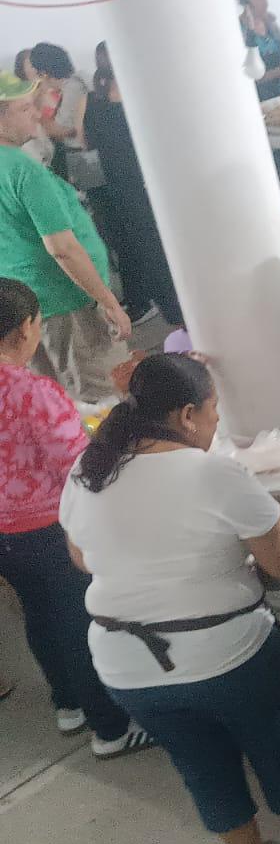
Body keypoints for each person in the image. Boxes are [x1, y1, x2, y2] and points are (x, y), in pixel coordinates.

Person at [58, 353, 280, 844]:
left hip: (126, 666)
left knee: (200, 769)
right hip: (227, 654)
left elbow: (84, 558)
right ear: (187, 414)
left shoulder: (88, 469)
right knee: (274, 746)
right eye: (212, 412)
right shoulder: (211, 472)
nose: (214, 424)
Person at [0, 280, 149, 758]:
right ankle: (111, 728)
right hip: (48, 528)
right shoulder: (31, 391)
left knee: (39, 616)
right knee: (76, 621)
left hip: (5, 535)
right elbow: (80, 464)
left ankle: (68, 704)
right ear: (25, 330)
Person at [0, 72, 130, 403]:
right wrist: (108, 301)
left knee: (57, 399)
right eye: (24, 108)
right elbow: (63, 249)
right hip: (67, 302)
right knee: (103, 398)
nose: (38, 112)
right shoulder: (22, 170)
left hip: (25, 307)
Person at [82, 52, 182, 328]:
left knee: (133, 245)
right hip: (143, 185)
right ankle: (172, 307)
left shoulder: (93, 102)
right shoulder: (140, 105)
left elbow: (85, 141)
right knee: (155, 246)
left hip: (116, 186)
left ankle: (148, 301)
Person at [27, 44, 88, 185]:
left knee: (86, 198)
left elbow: (63, 131)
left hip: (79, 155)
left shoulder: (73, 87)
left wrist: (38, 115)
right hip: (82, 153)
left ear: (43, 72)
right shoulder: (79, 80)